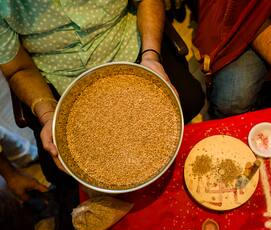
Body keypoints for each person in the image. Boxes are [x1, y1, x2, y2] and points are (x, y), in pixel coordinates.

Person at [0, 0, 204, 180]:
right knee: (61, 166)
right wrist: (48, 115)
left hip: (126, 48)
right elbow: (18, 68)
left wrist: (150, 56)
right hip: (61, 77)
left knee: (189, 99)